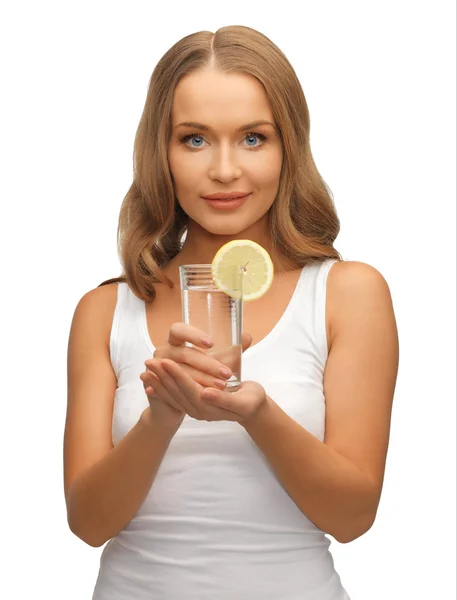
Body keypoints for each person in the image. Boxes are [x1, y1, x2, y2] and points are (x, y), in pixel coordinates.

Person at [64, 25, 399, 600]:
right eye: (194, 139)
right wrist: (162, 415)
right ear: (160, 152)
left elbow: (352, 518)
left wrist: (257, 414)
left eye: (252, 138)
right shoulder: (105, 311)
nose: (223, 170)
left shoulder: (347, 295)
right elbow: (88, 524)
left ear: (287, 146)